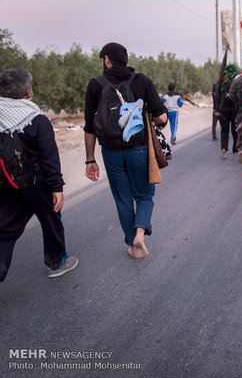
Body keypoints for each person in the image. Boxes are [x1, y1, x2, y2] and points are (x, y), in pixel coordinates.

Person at [84, 42, 168, 259]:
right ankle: (140, 233)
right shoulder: (142, 81)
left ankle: (132, 243)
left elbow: (89, 126)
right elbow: (161, 118)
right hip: (139, 149)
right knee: (144, 195)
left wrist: (89, 159)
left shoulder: (95, 84)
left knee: (122, 199)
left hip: (110, 152)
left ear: (106, 60)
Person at [0, 69, 78, 281]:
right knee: (51, 222)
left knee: (5, 232)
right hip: (38, 186)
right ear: (27, 92)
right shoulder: (36, 119)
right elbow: (49, 158)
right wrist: (57, 188)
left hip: (7, 185)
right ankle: (57, 263)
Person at [214, 64, 239, 159]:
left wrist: (216, 109)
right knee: (234, 130)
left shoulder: (220, 83)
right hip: (234, 110)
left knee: (224, 131)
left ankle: (224, 149)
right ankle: (235, 149)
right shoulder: (236, 82)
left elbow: (216, 97)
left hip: (223, 110)